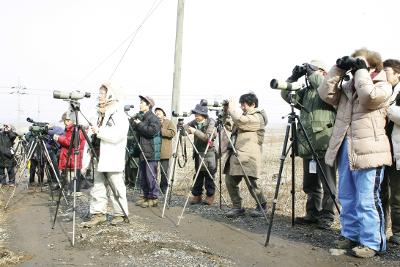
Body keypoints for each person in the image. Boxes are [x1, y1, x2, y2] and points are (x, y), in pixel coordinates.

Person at [318, 48, 391, 258]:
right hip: (346, 149)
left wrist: (361, 72)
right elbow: (325, 94)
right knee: (347, 197)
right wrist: (338, 69)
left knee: (367, 199)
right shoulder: (348, 89)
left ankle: (372, 243)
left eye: (361, 63)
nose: (356, 67)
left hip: (370, 151)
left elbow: (369, 98)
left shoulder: (382, 86)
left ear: (373, 67)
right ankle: (349, 235)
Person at [281, 60, 337, 229]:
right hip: (307, 143)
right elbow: (287, 97)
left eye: (315, 71)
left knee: (328, 183)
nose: (310, 74)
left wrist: (312, 73)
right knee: (310, 184)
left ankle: (327, 215)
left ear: (324, 72)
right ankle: (312, 213)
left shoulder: (330, 89)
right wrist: (292, 78)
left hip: (323, 143)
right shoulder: (305, 92)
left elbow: (324, 87)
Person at [81, 82, 129, 227]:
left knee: (116, 186)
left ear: (110, 95)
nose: (99, 96)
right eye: (100, 93)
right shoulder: (96, 114)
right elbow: (82, 122)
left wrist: (99, 132)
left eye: (102, 93)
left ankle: (120, 214)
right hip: (97, 155)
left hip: (112, 156)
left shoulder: (119, 114)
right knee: (98, 186)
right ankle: (98, 214)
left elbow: (118, 135)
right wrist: (73, 106)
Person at [223, 93, 268, 217]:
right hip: (237, 155)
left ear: (253, 104)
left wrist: (232, 109)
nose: (242, 107)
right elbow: (229, 125)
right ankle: (237, 207)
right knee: (230, 181)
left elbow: (241, 122)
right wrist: (226, 112)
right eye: (241, 104)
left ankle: (262, 205)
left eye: (244, 104)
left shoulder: (258, 118)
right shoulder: (243, 116)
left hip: (249, 156)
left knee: (252, 184)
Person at [381, 59, 400, 245]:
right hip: (382, 151)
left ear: (397, 73)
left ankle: (398, 233)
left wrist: (387, 108)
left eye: (387, 71)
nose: (383, 74)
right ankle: (380, 230)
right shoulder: (384, 90)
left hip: (397, 152)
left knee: (397, 196)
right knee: (381, 194)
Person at [132, 95, 161, 208]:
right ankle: (146, 195)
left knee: (150, 176)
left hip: (151, 152)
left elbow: (151, 132)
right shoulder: (143, 117)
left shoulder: (153, 118)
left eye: (142, 103)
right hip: (142, 150)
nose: (140, 105)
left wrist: (139, 124)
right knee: (143, 176)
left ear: (148, 105)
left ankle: (153, 197)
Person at [185, 103, 217, 205]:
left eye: (197, 114)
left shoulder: (211, 122)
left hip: (209, 153)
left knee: (209, 175)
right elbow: (185, 128)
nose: (196, 116)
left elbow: (208, 137)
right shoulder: (194, 122)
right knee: (198, 175)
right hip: (198, 153)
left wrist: (195, 131)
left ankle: (210, 196)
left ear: (204, 115)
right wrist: (184, 128)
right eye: (195, 114)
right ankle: (197, 195)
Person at [53, 111, 86, 192]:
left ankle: (73, 192)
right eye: (65, 121)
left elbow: (71, 142)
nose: (66, 123)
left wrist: (59, 138)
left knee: (73, 180)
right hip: (69, 157)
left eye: (67, 120)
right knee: (70, 179)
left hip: (72, 158)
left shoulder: (75, 129)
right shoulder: (70, 129)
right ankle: (69, 191)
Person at [155, 107, 176, 194]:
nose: (157, 114)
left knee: (164, 172)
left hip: (165, 152)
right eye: (156, 113)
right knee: (153, 171)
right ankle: (154, 188)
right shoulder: (153, 122)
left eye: (159, 112)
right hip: (154, 151)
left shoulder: (169, 122)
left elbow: (173, 133)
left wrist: (161, 130)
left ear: (164, 115)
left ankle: (163, 188)